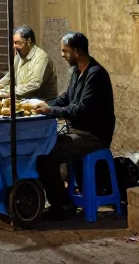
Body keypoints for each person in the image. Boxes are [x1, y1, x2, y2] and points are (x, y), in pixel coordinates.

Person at [31, 32, 115, 220]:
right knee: (43, 147)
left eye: (64, 51)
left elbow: (81, 109)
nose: (62, 55)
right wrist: (45, 104)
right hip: (76, 130)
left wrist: (51, 111)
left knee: (46, 156)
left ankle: (63, 206)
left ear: (76, 52)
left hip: (92, 135)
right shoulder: (77, 71)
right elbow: (66, 98)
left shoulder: (96, 75)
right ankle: (62, 198)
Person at [0, 26, 57, 101]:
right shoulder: (19, 57)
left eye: (18, 43)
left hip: (43, 103)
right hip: (24, 100)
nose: (14, 46)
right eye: (14, 43)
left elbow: (34, 84)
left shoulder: (41, 58)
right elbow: (9, 76)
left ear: (29, 41)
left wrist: (7, 92)